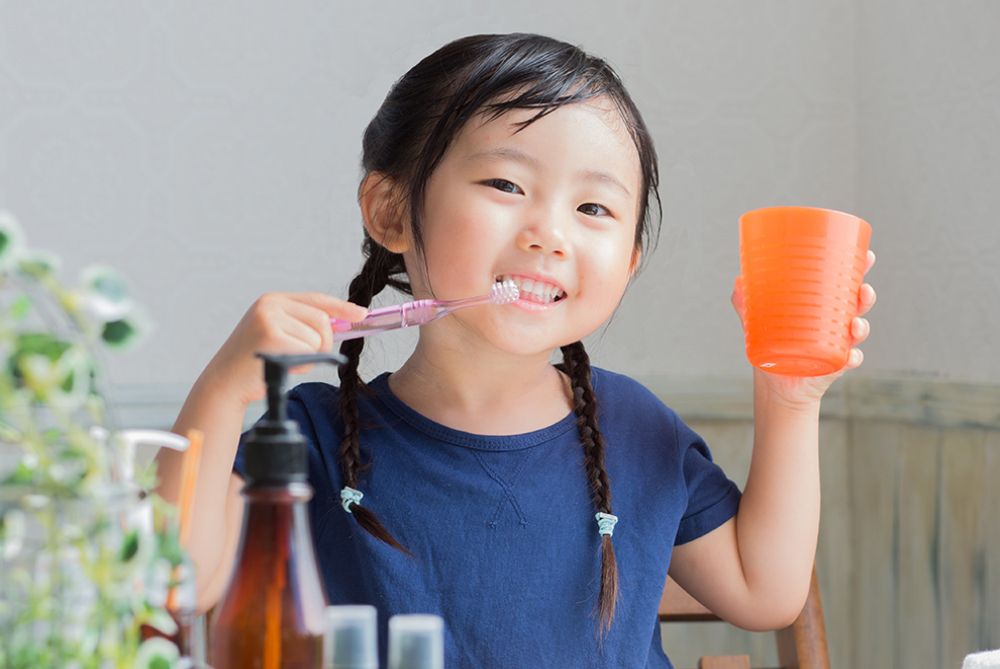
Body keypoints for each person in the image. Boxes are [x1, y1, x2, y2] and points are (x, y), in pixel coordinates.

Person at [156, 33, 877, 668]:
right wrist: (222, 390)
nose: (549, 233)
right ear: (390, 212)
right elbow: (172, 583)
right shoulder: (312, 435)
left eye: (593, 208)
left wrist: (791, 395)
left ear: (627, 263)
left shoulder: (635, 427)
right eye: (506, 183)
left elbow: (766, 589)